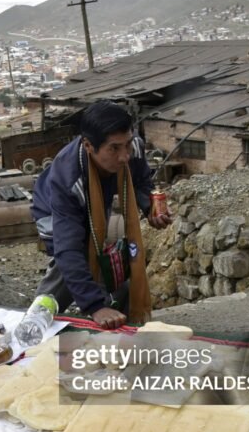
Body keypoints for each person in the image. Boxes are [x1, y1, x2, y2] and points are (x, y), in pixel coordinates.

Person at [30, 100, 172, 329]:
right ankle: (37, 322)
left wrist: (150, 208)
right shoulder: (67, 178)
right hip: (52, 207)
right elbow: (68, 248)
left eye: (127, 145)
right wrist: (95, 306)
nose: (124, 156)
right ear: (88, 145)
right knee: (72, 257)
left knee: (116, 254)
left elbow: (141, 181)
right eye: (114, 149)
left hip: (99, 199)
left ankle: (121, 317)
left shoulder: (131, 146)